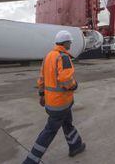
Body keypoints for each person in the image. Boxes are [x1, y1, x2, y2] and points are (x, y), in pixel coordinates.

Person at [22, 30, 86, 164]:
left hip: (52, 102)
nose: (70, 45)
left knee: (67, 123)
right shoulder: (63, 57)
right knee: (49, 131)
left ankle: (76, 146)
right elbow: (66, 79)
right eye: (70, 42)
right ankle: (31, 160)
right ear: (66, 43)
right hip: (61, 103)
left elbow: (41, 78)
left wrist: (41, 94)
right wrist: (74, 86)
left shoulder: (48, 56)